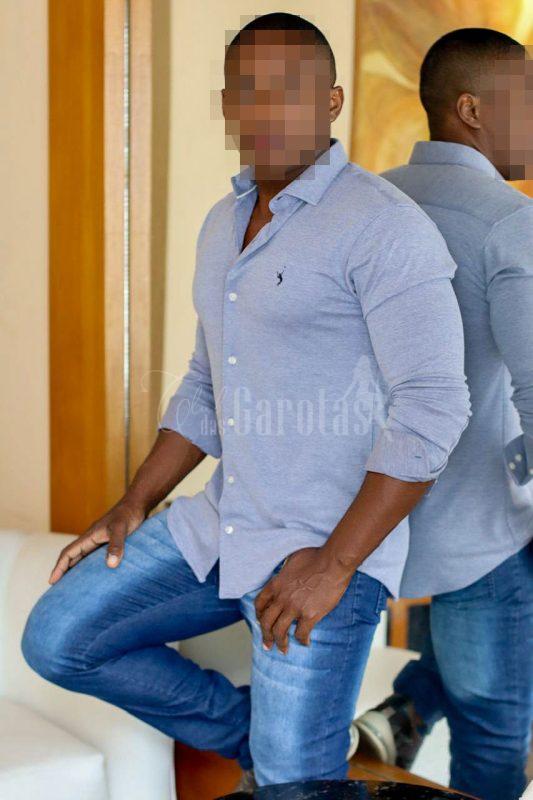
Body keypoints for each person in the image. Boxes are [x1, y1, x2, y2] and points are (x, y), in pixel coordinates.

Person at [20, 13, 470, 790]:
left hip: (323, 548)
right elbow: (206, 381)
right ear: (228, 105)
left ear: (330, 101)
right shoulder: (223, 224)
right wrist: (133, 503)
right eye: (246, 91)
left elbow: (433, 408)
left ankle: (292, 756)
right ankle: (264, 737)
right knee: (60, 636)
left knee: (294, 783)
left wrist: (334, 564)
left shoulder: (385, 227)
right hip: (223, 523)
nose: (264, 110)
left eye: (287, 90)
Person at [354, 29, 533, 800]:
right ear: (472, 110)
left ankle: (406, 709)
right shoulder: (509, 221)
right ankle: (410, 707)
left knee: (470, 676)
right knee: (491, 731)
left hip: (372, 519)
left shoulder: (361, 201)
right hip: (477, 531)